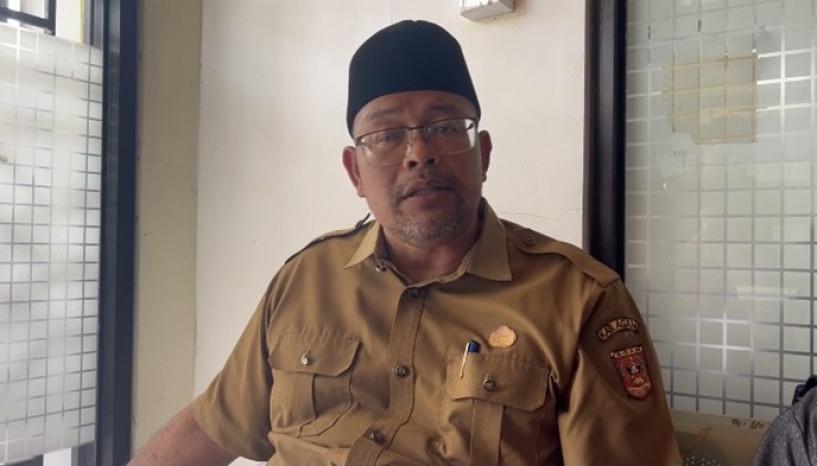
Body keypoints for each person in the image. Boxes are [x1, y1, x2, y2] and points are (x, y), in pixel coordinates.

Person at [129, 20, 682, 466]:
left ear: (483, 155)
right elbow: (211, 427)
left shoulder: (578, 299)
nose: (419, 154)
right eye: (388, 135)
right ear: (354, 171)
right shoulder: (306, 279)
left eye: (444, 127)